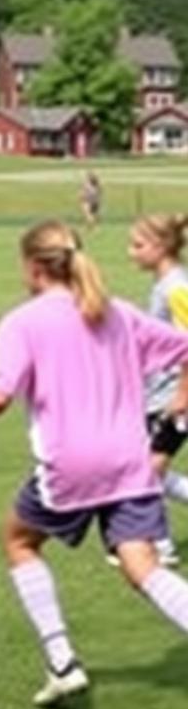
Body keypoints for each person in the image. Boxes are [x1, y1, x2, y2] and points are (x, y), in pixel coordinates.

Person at [0, 220, 188, 708]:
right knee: (142, 565)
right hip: (131, 460)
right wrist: (182, 395)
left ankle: (62, 662)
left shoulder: (24, 322)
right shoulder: (119, 311)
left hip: (71, 465)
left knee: (18, 540)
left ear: (34, 267)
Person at [127, 213, 188, 564]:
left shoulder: (176, 287)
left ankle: (159, 546)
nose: (131, 253)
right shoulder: (165, 283)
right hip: (158, 395)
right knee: (148, 469)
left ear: (162, 247)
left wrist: (182, 395)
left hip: (173, 398)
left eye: (138, 245)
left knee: (147, 470)